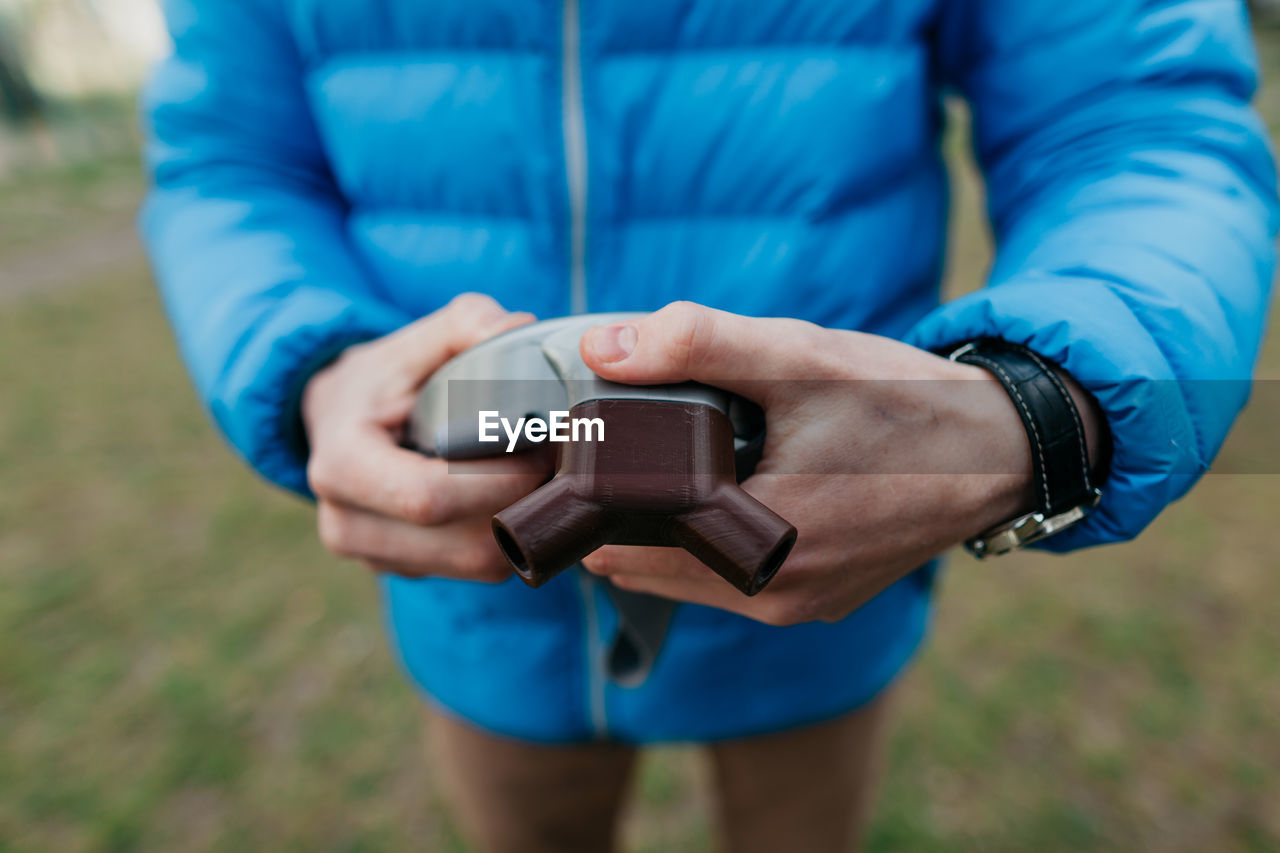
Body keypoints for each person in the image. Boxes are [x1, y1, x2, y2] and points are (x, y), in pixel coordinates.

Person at [140, 1, 1277, 850]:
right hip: (475, 571)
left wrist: (1034, 403)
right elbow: (229, 156)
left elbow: (1134, 111)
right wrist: (312, 365)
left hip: (822, 552)